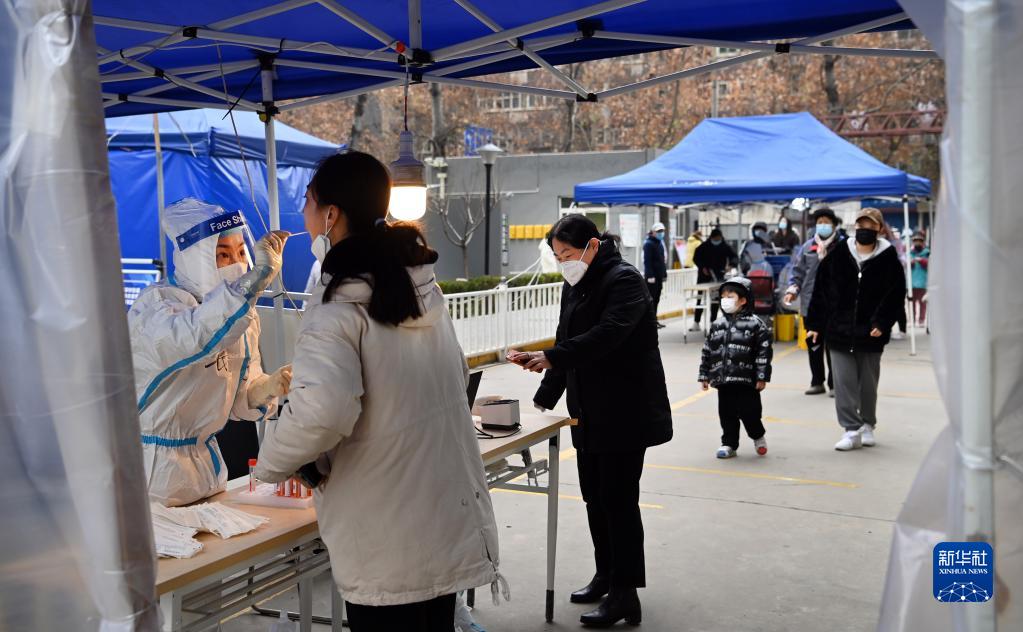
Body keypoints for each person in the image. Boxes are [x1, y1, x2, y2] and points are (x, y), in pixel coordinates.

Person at [253, 152, 503, 632]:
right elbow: (455, 373)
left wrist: (271, 465)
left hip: (386, 531)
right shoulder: (420, 288)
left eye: (308, 201)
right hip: (442, 514)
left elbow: (322, 413)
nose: (303, 213)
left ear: (331, 214)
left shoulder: (337, 309)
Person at [507, 214, 672, 628]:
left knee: (618, 501)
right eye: (558, 256)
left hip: (625, 410)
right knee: (595, 498)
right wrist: (546, 389)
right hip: (589, 410)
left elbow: (608, 335)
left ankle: (625, 593)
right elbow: (567, 339)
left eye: (568, 254)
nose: (564, 262)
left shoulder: (625, 281)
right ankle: (605, 574)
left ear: (593, 246)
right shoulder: (576, 283)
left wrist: (552, 357)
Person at [128, 198, 292, 507]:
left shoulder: (239, 314)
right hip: (152, 476)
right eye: (223, 255)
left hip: (207, 470)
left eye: (241, 253)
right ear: (194, 258)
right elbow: (196, 336)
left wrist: (269, 387)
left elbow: (239, 398)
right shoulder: (157, 307)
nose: (237, 264)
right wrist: (254, 281)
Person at [806, 208, 906, 451]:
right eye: (861, 225)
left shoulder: (889, 259)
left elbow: (895, 296)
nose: (865, 230)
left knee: (868, 385)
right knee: (843, 383)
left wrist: (881, 323)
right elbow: (822, 289)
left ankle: (868, 424)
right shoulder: (838, 254)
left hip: (870, 333)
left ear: (880, 229)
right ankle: (851, 430)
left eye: (871, 226)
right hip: (838, 331)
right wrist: (816, 324)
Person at [698, 277, 772, 459]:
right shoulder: (717, 324)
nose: (725, 300)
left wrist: (762, 376)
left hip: (747, 381)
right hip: (723, 380)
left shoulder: (756, 324)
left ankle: (757, 435)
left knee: (750, 412)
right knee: (726, 413)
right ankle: (729, 443)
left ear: (743, 300)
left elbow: (763, 353)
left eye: (730, 297)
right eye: (723, 297)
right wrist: (704, 374)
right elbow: (708, 350)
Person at [785, 207, 843, 396]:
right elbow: (798, 272)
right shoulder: (807, 247)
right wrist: (792, 290)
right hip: (810, 304)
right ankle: (817, 382)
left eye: (826, 222)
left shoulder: (843, 246)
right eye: (819, 222)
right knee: (814, 344)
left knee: (834, 345)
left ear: (834, 225)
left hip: (835, 305)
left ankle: (835, 384)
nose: (823, 225)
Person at [692, 228, 737, 329]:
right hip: (704, 276)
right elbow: (696, 258)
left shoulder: (725, 246)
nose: (717, 240)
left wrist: (731, 265)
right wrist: (702, 267)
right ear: (711, 237)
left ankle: (713, 321)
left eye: (718, 239)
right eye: (715, 239)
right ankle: (696, 322)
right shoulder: (704, 246)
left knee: (716, 299)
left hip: (718, 275)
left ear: (721, 237)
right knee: (700, 299)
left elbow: (734, 257)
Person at [643, 221, 668, 328]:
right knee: (651, 300)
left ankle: (654, 320)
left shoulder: (659, 243)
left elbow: (662, 261)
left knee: (656, 299)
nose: (661, 233)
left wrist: (664, 274)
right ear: (653, 232)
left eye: (662, 231)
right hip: (652, 278)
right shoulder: (648, 244)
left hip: (659, 276)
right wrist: (650, 275)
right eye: (658, 231)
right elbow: (647, 261)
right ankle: (650, 322)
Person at [910, 232, 929, 327]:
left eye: (919, 241)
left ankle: (921, 320)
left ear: (923, 242)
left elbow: (930, 264)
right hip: (911, 282)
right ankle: (912, 320)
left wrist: (922, 261)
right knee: (911, 303)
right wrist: (911, 262)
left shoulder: (927, 253)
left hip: (923, 282)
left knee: (923, 303)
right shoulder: (909, 253)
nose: (917, 242)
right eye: (915, 241)